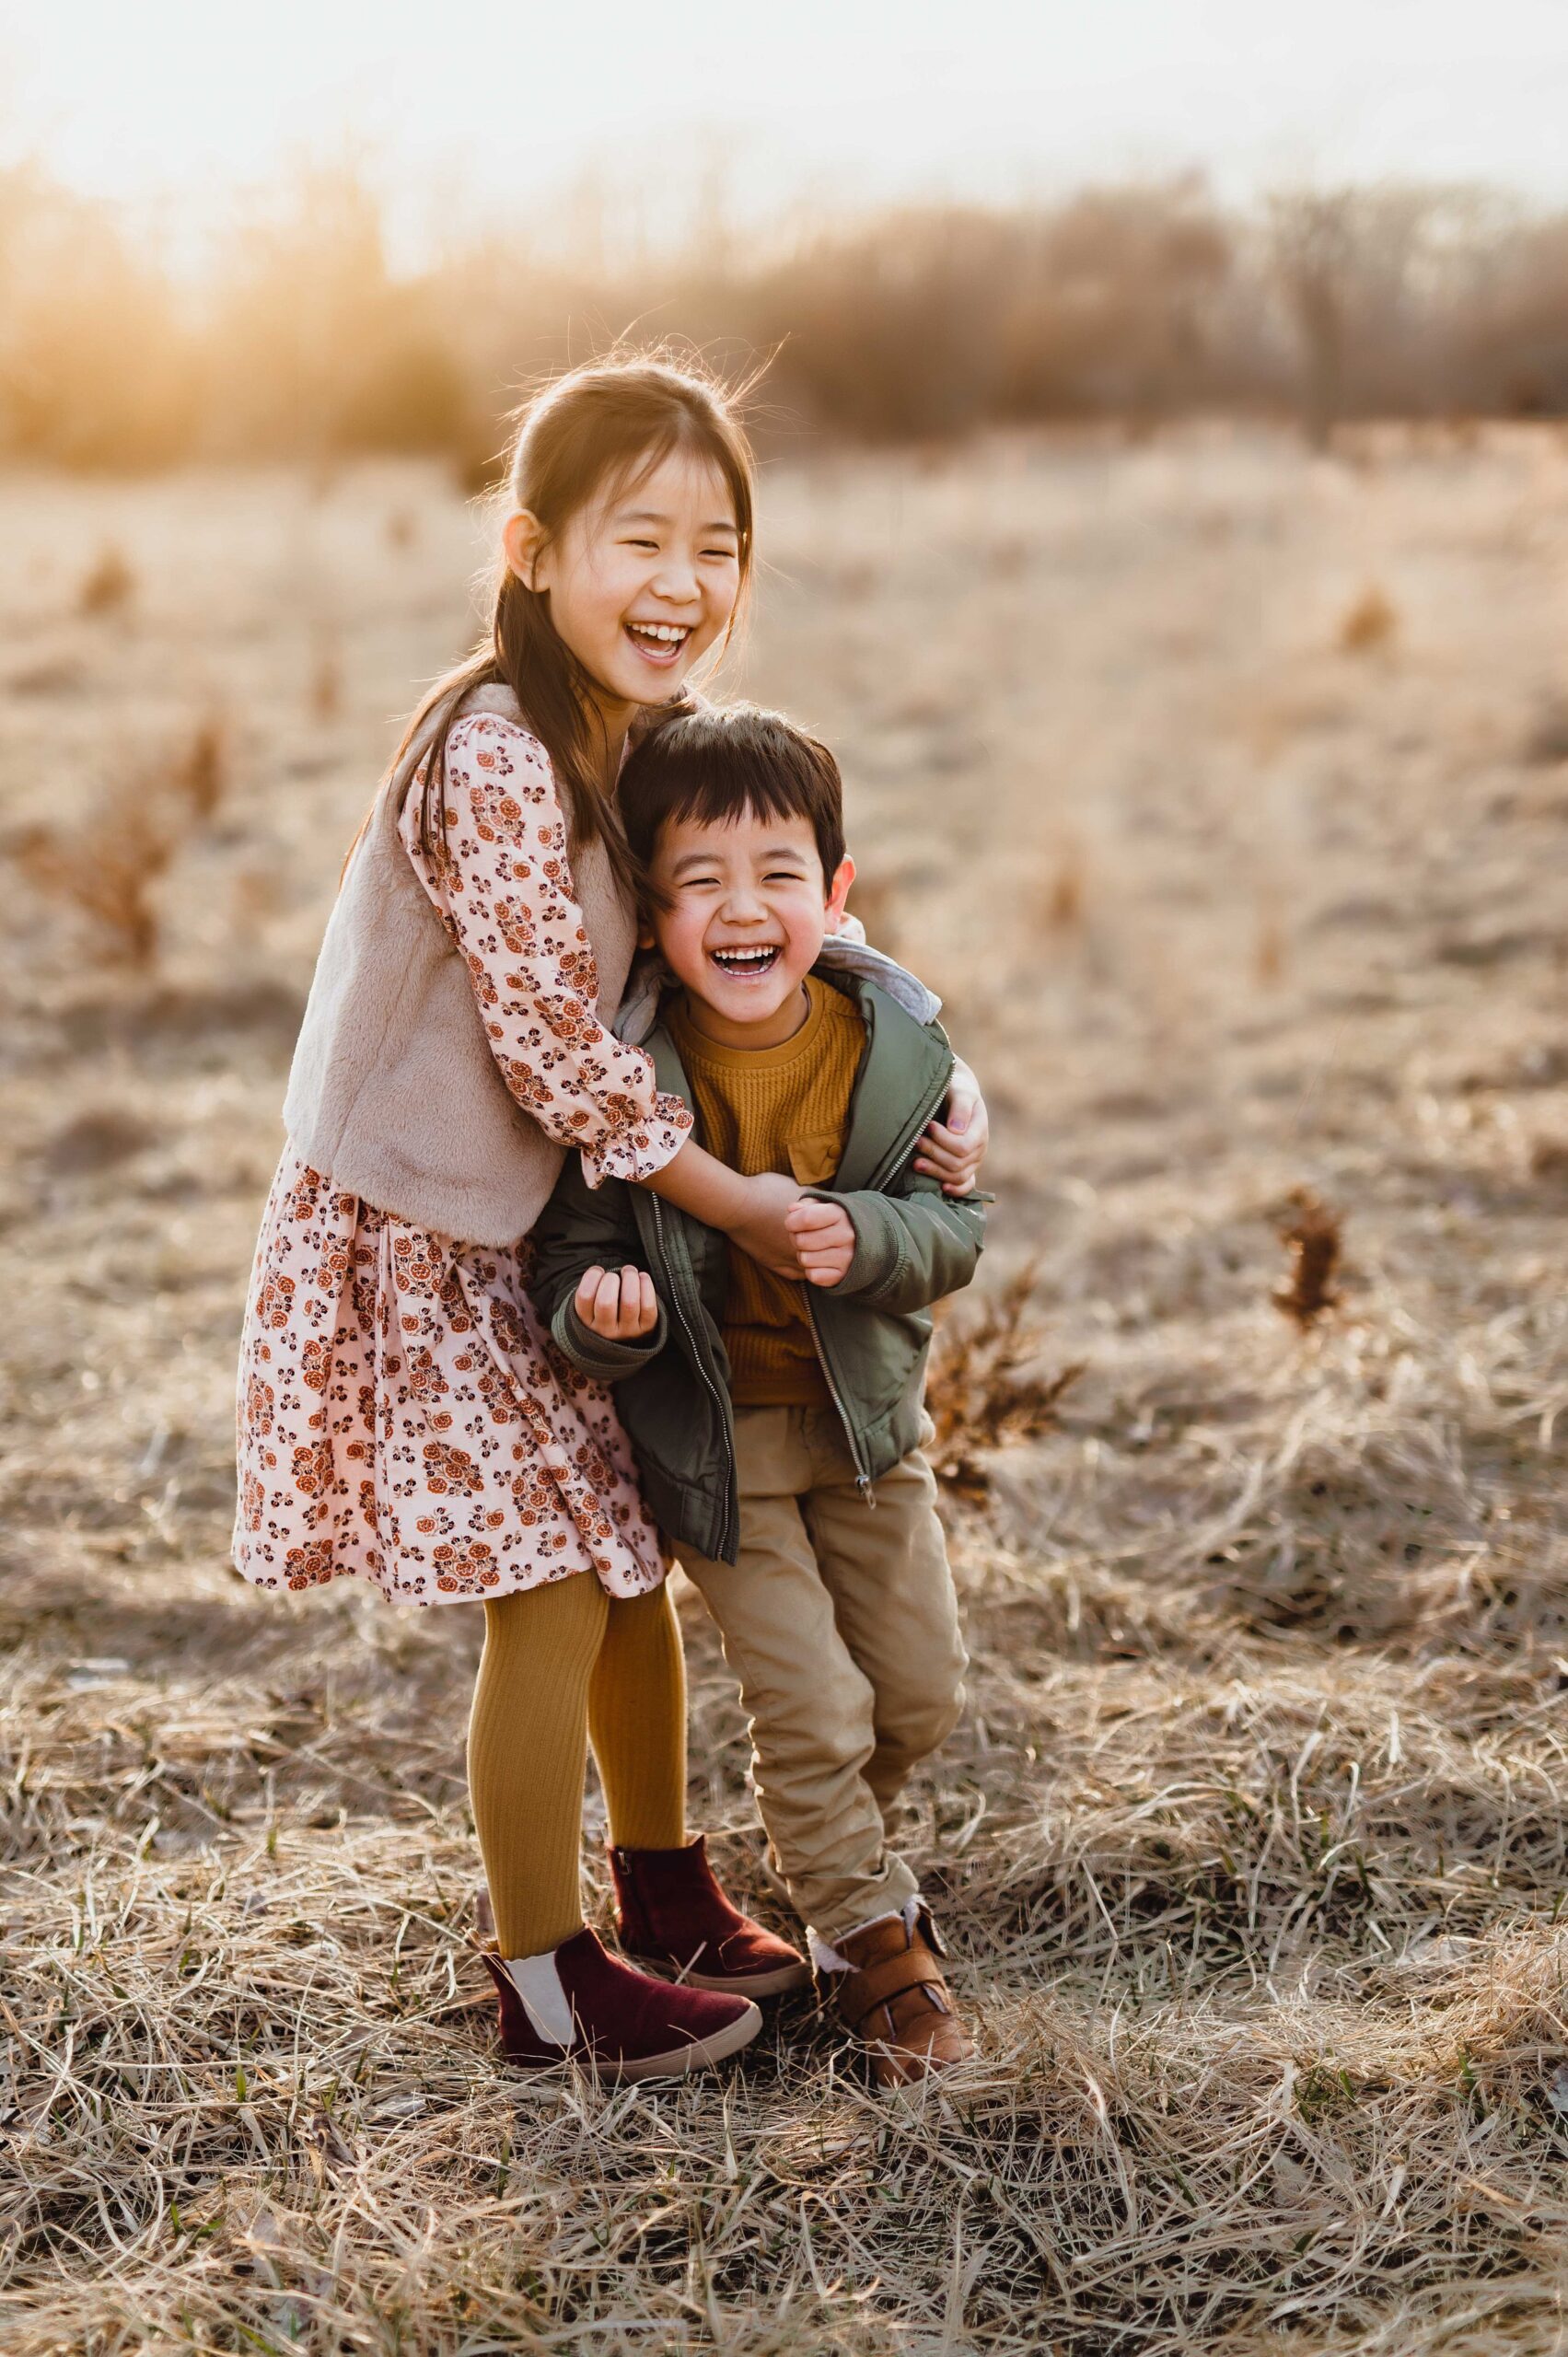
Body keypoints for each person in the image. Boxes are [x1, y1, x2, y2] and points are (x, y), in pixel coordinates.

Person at [233, 354, 990, 2084]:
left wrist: (950, 1074)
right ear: (531, 550)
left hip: (551, 1230)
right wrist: (738, 1200)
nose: (683, 584)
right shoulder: (498, 750)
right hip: (423, 1232)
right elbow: (558, 1046)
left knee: (627, 1560)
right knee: (549, 1592)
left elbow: (777, 906)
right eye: (637, 539)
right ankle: (547, 1976)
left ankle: (665, 1888)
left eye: (717, 545)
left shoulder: (632, 740)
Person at [530, 702, 986, 2086]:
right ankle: (864, 1939)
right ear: (649, 913)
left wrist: (876, 1238)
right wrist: (602, 1323)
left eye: (778, 875)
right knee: (814, 1707)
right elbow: (578, 1253)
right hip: (726, 1458)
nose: (743, 910)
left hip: (870, 1440)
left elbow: (954, 1233)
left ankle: (827, 1834)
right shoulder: (632, 1078)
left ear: (835, 895)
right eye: (700, 883)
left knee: (918, 1697)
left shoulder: (889, 1053)